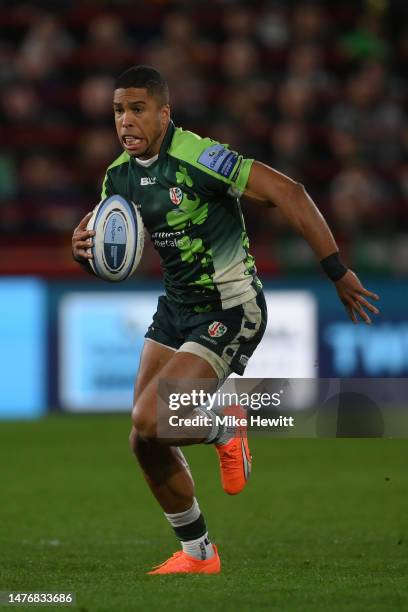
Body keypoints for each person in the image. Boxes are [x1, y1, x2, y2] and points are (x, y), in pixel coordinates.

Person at [72, 65, 380, 575]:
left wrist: (336, 269)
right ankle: (199, 553)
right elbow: (107, 242)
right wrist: (80, 247)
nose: (125, 121)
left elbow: (291, 193)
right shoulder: (117, 177)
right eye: (118, 111)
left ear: (165, 113)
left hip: (230, 307)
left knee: (152, 417)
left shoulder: (199, 156)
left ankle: (226, 428)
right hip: (176, 309)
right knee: (143, 438)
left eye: (137, 109)